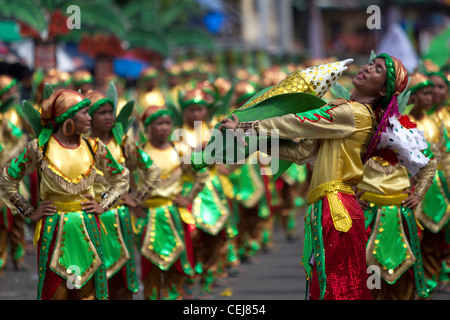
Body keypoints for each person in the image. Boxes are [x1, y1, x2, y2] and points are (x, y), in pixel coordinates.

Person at [218, 54, 409, 300]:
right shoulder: (342, 112)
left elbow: (298, 122)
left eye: (378, 69)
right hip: (325, 205)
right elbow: (301, 151)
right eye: (371, 63)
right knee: (327, 282)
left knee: (340, 286)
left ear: (384, 89)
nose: (368, 67)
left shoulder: (355, 113)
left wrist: (246, 127)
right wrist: (254, 141)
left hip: (336, 207)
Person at [0, 88, 130, 300]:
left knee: (86, 292)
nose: (90, 118)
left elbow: (122, 177)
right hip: (54, 229)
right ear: (67, 118)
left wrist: (103, 204)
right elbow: (7, 179)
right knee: (56, 293)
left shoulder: (93, 148)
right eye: (84, 113)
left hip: (87, 228)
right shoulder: (40, 149)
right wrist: (29, 211)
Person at [355, 75, 436, 299]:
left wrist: (418, 194)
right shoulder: (359, 132)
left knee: (403, 283)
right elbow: (337, 164)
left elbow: (428, 164)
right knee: (369, 281)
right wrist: (350, 194)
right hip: (367, 215)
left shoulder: (406, 134)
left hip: (401, 216)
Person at [86, 89, 160, 299]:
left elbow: (152, 170)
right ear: (89, 116)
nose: (109, 117)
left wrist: (137, 198)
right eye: (102, 113)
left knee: (122, 278)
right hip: (89, 219)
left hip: (119, 218)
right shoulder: (79, 145)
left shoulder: (123, 142)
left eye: (111, 112)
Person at [134, 105, 208, 299]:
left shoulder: (181, 149)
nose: (164, 128)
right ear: (147, 127)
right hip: (148, 216)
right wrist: (133, 201)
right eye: (159, 123)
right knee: (150, 270)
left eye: (168, 123)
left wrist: (188, 197)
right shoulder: (138, 152)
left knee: (176, 268)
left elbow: (202, 173)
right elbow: (124, 178)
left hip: (174, 214)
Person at [407, 72, 450, 296]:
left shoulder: (433, 120)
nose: (432, 96)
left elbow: (443, 154)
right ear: (411, 97)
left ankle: (431, 278)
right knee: (415, 237)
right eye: (425, 92)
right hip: (411, 187)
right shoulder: (405, 122)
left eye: (434, 91)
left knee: (435, 236)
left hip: (436, 187)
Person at [0, 75, 29, 274]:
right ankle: (1, 259)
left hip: (17, 170)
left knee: (20, 210)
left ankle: (18, 255)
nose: (14, 93)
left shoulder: (18, 112)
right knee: (2, 218)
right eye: (9, 90)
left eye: (14, 88)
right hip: (2, 170)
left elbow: (27, 136)